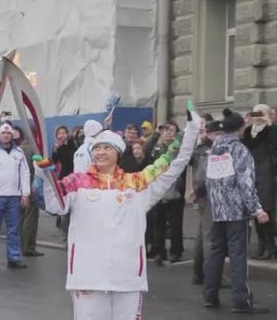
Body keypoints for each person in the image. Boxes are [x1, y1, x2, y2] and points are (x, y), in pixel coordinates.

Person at [37, 109, 200, 320]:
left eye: (107, 148)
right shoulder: (77, 182)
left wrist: (191, 132)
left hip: (127, 277)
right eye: (97, 148)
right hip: (88, 277)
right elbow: (54, 205)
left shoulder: (136, 185)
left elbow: (174, 165)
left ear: (118, 153)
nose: (100, 152)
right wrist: (44, 176)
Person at [204, 109, 271, 314]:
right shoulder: (239, 150)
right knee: (238, 256)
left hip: (217, 210)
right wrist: (257, 209)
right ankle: (241, 300)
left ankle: (210, 296)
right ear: (240, 128)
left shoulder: (216, 147)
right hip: (236, 211)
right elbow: (246, 183)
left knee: (215, 253)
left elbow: (210, 180)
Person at [0, 123, 30, 270]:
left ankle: (14, 258)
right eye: (3, 133)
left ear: (12, 135)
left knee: (13, 229)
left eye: (9, 133)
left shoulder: (19, 152)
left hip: (14, 197)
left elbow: (25, 173)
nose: (6, 135)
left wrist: (25, 193)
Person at [146, 121, 186, 265]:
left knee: (176, 224)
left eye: (171, 130)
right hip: (159, 190)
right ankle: (159, 251)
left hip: (175, 190)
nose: (168, 133)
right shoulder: (156, 147)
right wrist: (155, 133)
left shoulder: (180, 148)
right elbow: (147, 157)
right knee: (159, 224)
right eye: (165, 130)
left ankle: (175, 251)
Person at [242, 104, 277, 259]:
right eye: (255, 112)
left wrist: (268, 122)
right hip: (253, 172)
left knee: (266, 209)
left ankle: (270, 246)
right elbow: (244, 146)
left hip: (267, 172)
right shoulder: (250, 131)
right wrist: (244, 124)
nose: (257, 116)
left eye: (260, 113)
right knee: (256, 209)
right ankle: (262, 245)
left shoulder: (271, 129)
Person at [189, 116, 219, 285]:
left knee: (203, 235)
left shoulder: (201, 147)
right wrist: (198, 191)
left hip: (204, 195)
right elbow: (202, 177)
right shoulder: (206, 148)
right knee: (210, 237)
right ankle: (211, 277)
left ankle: (199, 273)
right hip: (208, 196)